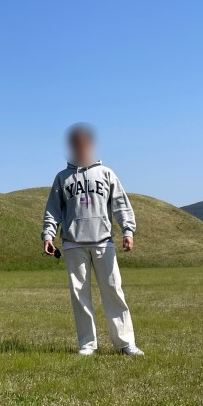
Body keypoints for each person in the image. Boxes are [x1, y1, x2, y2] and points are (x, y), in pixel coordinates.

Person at [41, 123, 144, 356]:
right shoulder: (62, 178)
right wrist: (48, 235)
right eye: (76, 143)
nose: (80, 147)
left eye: (84, 143)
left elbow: (121, 204)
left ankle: (125, 343)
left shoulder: (107, 174)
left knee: (113, 291)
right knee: (80, 296)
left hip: (103, 242)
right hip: (73, 243)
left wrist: (128, 231)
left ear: (90, 144)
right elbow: (52, 210)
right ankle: (87, 344)